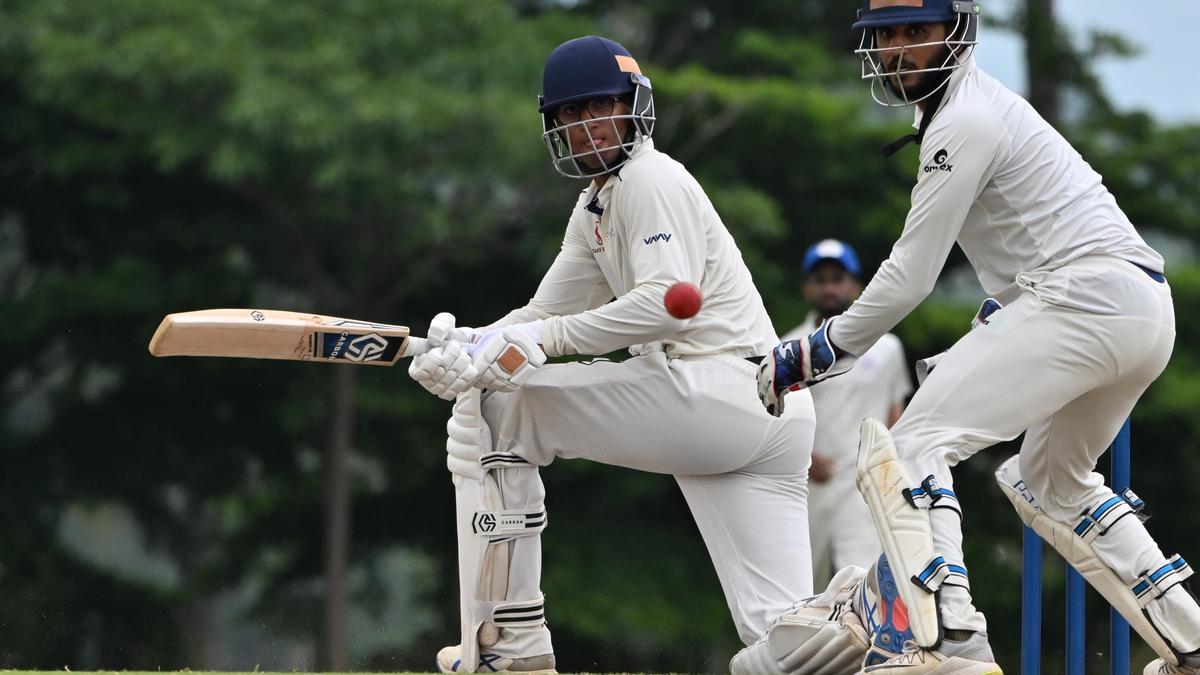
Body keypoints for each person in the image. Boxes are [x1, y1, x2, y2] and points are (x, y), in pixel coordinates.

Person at [756, 2, 1200, 674]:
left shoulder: (962, 120)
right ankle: (1189, 639)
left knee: (910, 446)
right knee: (1048, 482)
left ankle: (948, 637)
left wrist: (819, 349)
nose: (900, 50)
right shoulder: (965, 113)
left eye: (917, 33)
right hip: (1136, 309)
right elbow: (1025, 247)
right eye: (888, 36)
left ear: (956, 34)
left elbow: (911, 274)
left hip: (1084, 299)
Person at [407, 35, 816, 674]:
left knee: (505, 411)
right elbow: (542, 314)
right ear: (555, 127)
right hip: (773, 414)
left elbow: (660, 304)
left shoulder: (648, 178)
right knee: (785, 643)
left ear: (633, 106)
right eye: (571, 115)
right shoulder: (597, 203)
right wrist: (465, 344)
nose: (585, 126)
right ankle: (890, 640)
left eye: (599, 107)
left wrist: (524, 351)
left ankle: (513, 644)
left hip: (716, 388)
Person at [783, 239, 911, 590]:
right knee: (802, 589)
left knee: (862, 584)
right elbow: (778, 419)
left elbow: (894, 414)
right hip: (810, 485)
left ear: (855, 286)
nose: (829, 288)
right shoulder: (791, 350)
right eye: (820, 279)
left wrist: (894, 473)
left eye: (837, 279)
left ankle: (868, 646)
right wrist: (807, 459)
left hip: (866, 487)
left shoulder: (886, 347)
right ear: (807, 287)